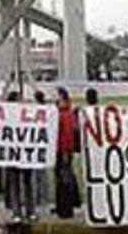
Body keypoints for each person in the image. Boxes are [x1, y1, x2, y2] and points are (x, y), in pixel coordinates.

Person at [4, 90, 35, 224]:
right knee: (17, 183)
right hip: (15, 154)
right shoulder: (15, 116)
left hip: (22, 154)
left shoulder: (22, 115)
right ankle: (23, 211)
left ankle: (25, 211)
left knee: (22, 183)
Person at [55, 87, 80, 219]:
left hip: (63, 150)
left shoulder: (65, 115)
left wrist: (65, 151)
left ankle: (65, 207)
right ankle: (66, 204)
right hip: (63, 150)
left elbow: (67, 136)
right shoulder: (66, 113)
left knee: (64, 178)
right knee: (64, 177)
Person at [33, 91, 49, 214]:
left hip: (37, 146)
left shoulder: (35, 112)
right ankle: (42, 198)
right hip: (43, 145)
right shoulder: (47, 110)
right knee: (41, 174)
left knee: (37, 175)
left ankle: (39, 198)